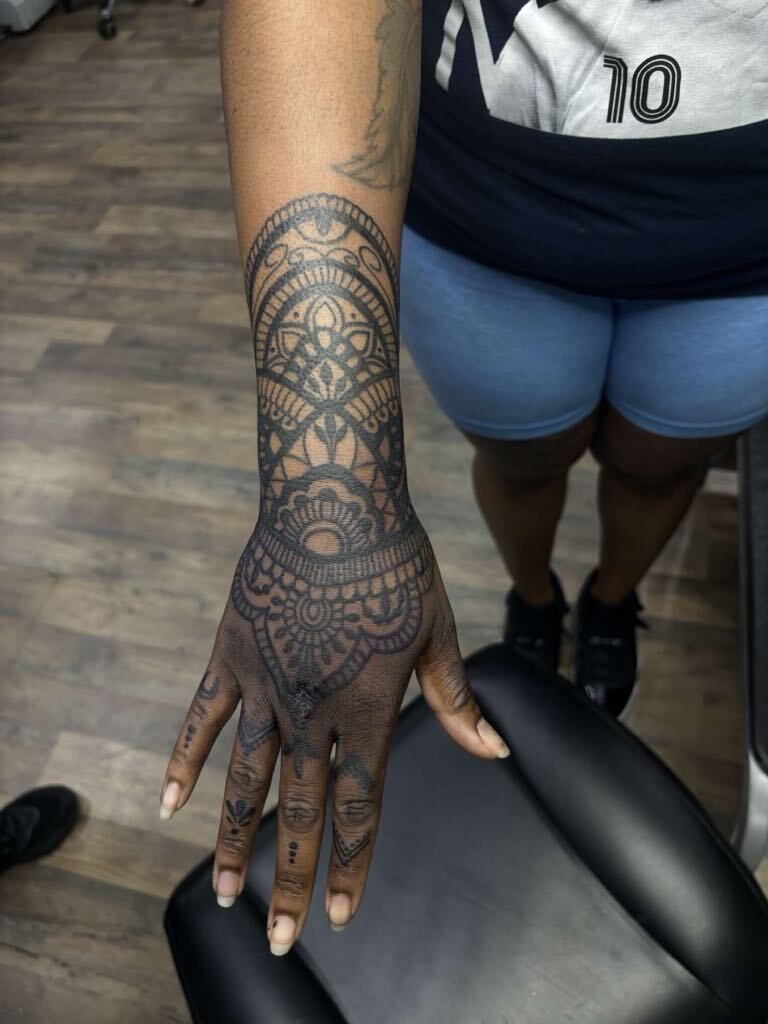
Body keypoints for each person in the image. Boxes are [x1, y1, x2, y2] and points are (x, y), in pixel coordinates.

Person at [160, 0, 768, 958]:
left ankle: (611, 603)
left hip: (746, 240)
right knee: (524, 465)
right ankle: (537, 599)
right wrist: (328, 506)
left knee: (661, 469)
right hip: (492, 214)